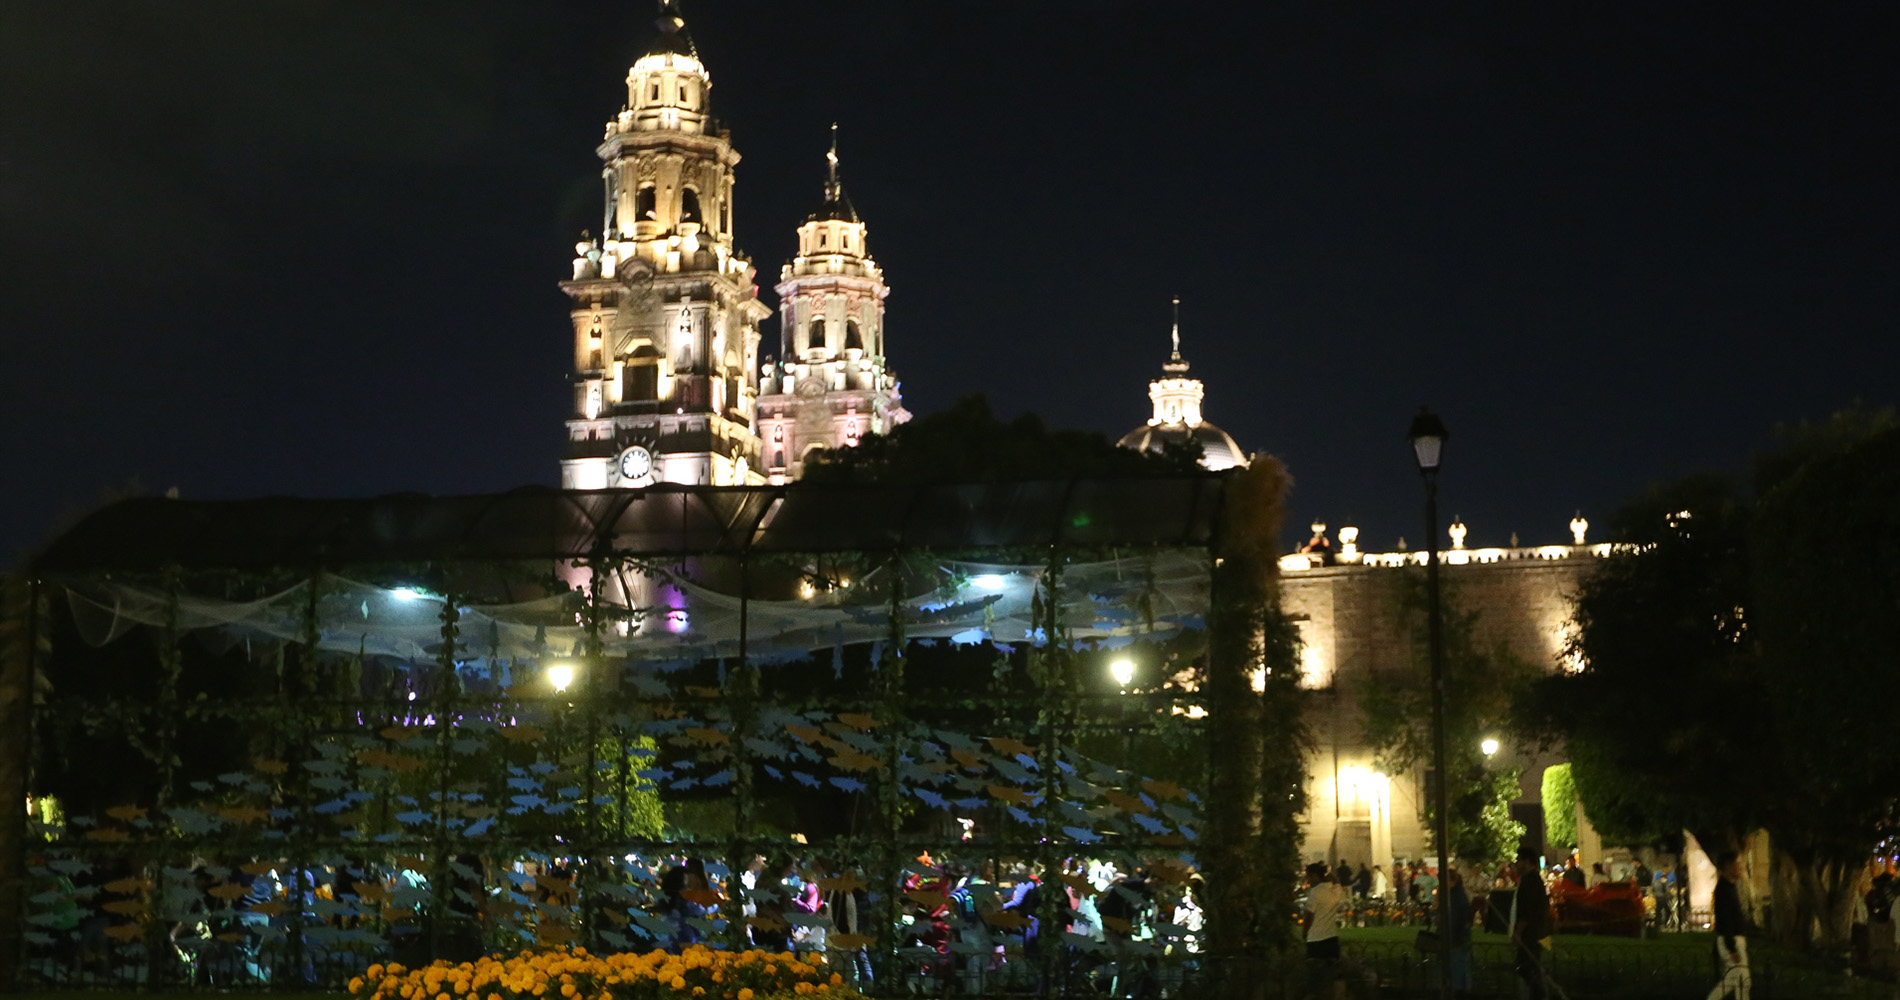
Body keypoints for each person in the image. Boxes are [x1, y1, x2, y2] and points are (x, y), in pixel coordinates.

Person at [1705, 852, 1751, 1000]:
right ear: (1727, 867)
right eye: (1737, 865)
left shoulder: (1729, 888)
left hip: (1734, 939)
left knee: (1737, 981)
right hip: (1731, 941)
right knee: (1741, 980)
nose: (1740, 868)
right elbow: (1725, 920)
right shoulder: (1723, 890)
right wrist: (1731, 947)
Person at [1509, 852, 1552, 1000]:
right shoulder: (1532, 880)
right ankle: (1537, 993)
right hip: (1536, 931)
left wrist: (1518, 932)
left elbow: (1527, 910)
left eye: (1519, 861)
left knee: (1526, 966)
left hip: (1531, 933)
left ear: (1527, 862)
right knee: (1530, 966)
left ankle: (1539, 994)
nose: (1517, 864)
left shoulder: (1530, 882)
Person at [1302, 862, 1348, 961]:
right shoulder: (1335, 890)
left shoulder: (1316, 892)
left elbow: (1310, 914)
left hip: (1316, 937)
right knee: (1332, 968)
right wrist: (1330, 876)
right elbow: (1337, 882)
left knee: (1316, 968)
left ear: (1314, 876)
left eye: (1308, 877)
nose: (1308, 880)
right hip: (1331, 937)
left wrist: (1304, 932)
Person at [1445, 870, 1473, 998]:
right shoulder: (1456, 894)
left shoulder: (1456, 895)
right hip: (1458, 934)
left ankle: (1459, 990)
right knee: (1460, 965)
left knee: (1458, 964)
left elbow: (1458, 916)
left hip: (1457, 936)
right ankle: (1461, 988)